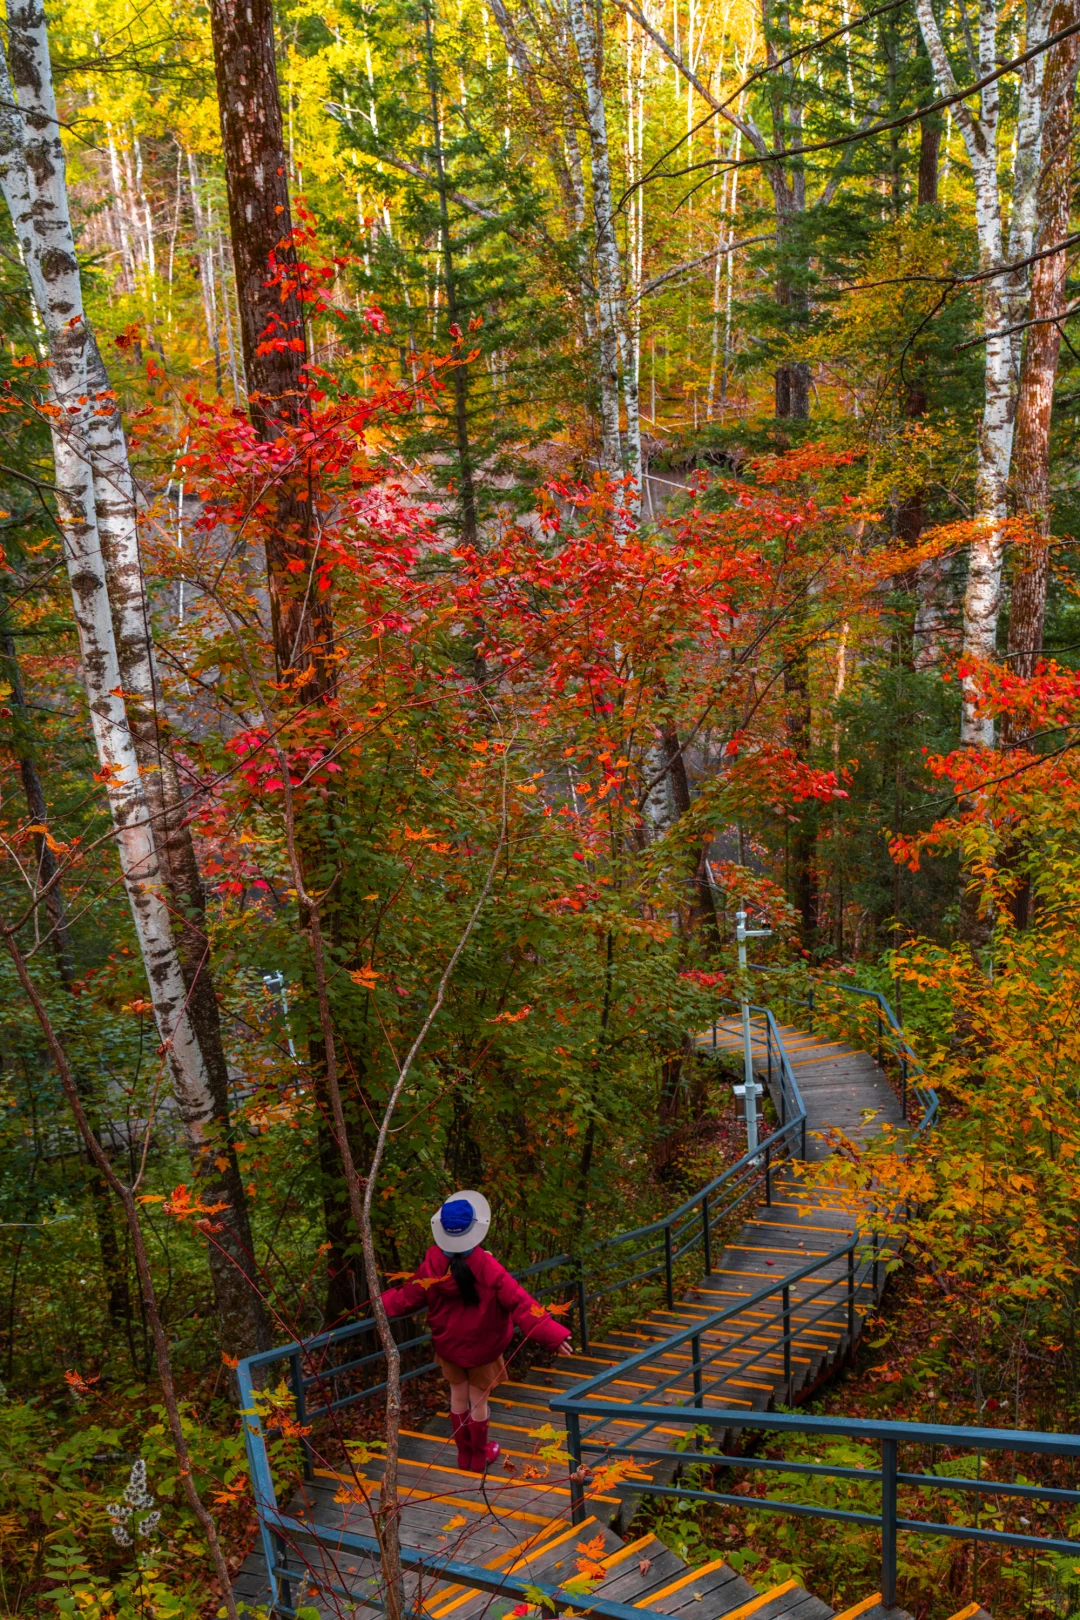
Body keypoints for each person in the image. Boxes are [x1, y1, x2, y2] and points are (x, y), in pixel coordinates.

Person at [381, 1189, 573, 1472]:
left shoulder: (432, 1266)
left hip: (449, 1345)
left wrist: (375, 1305)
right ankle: (480, 1455)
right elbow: (521, 1303)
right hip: (483, 1347)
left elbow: (406, 1298)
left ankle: (464, 1455)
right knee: (478, 1400)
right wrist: (552, 1335)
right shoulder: (487, 1266)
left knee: (457, 1397)